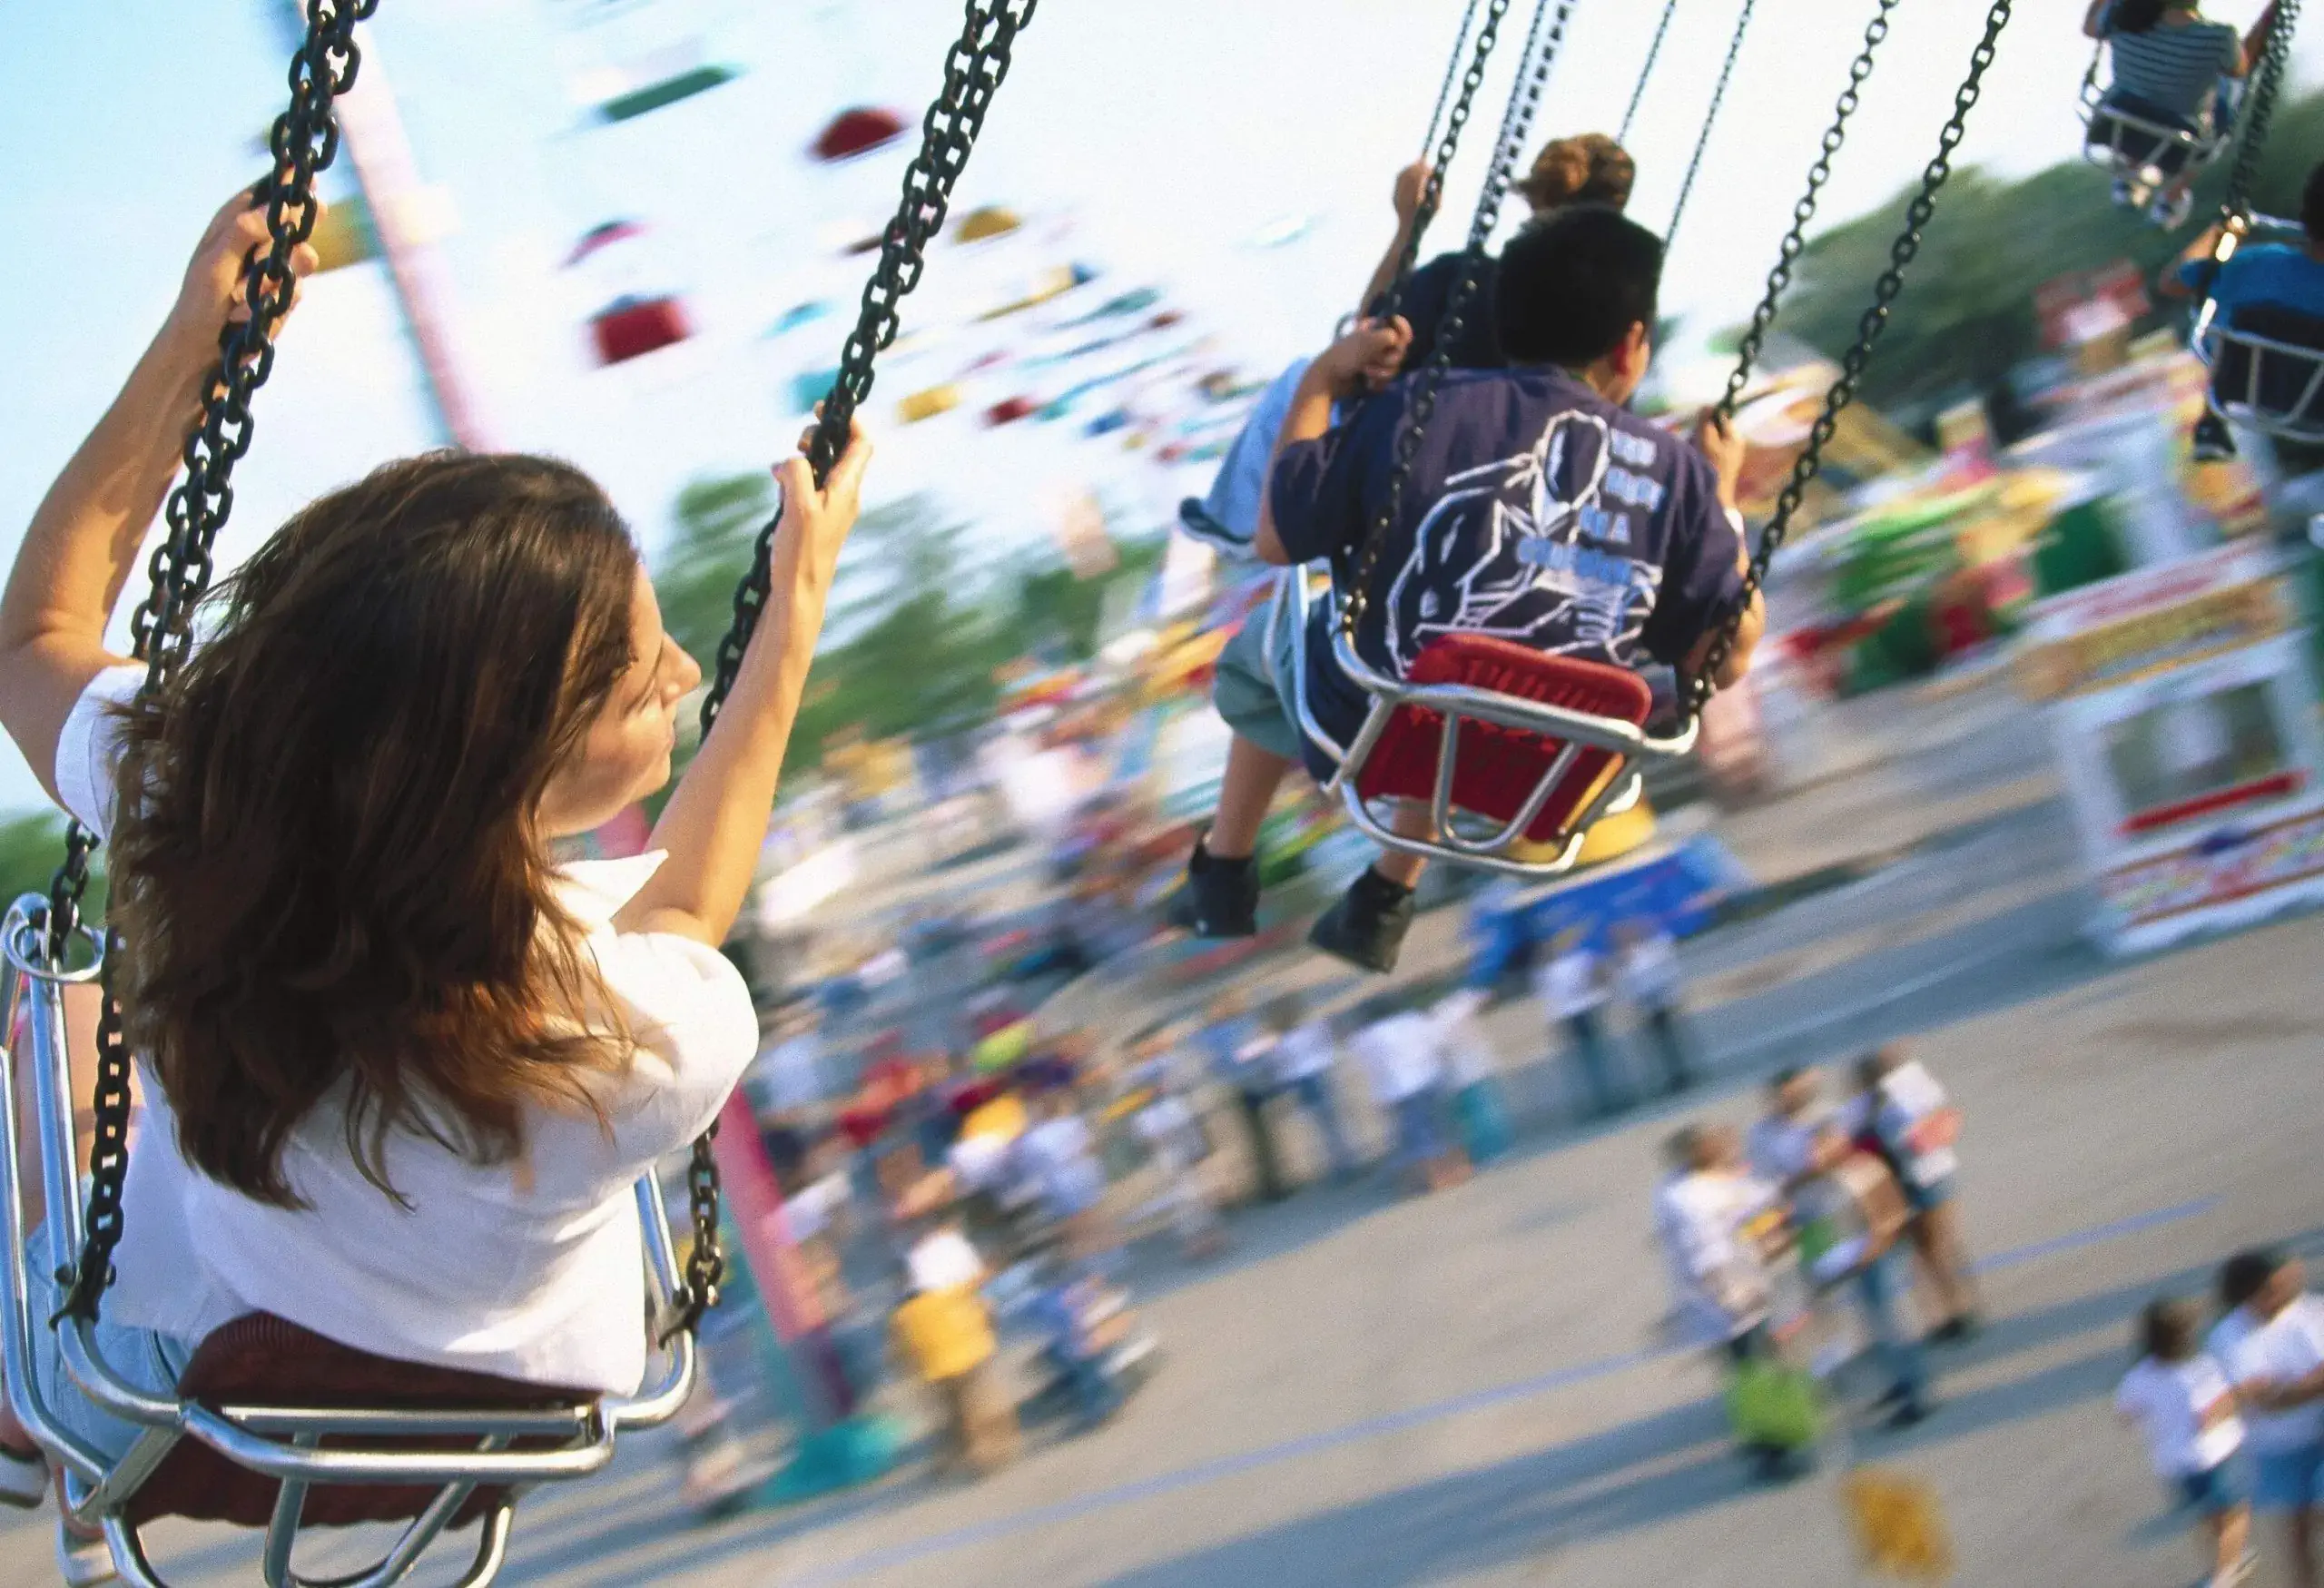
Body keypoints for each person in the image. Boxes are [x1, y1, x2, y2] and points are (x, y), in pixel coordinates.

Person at [0, 193, 871, 1581]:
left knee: (58, 1043)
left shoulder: (209, 802)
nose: (689, 680)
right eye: (647, 679)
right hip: (480, 1417)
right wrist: (794, 623)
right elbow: (689, 916)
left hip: (201, 1381)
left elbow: (39, 634)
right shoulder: (609, 1042)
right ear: (504, 759)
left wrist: (190, 350)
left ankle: (18, 1395)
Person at [1169, 204, 1763, 973]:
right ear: (1632, 343)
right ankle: (1382, 896)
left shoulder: (1409, 419)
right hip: (1568, 762)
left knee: (1279, 647)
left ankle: (1225, 867)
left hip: (1376, 726)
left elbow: (1275, 539)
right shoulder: (1675, 472)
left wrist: (1322, 377)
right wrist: (1723, 499)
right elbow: (1730, 659)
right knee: (1472, 666)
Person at [1178, 133, 1637, 558]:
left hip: (1415, 483)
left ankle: (1234, 520)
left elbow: (1369, 327)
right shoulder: (1610, 335)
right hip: (1529, 503)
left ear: (1535, 203)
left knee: (1307, 373)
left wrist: (1408, 228)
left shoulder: (1463, 280)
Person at [1652, 1124, 1804, 1481]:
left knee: (1747, 1372)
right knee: (1754, 1372)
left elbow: (1758, 1201)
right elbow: (1706, 1258)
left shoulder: (1691, 1185)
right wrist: (1732, 1297)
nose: (1724, 1149)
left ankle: (1764, 1438)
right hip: (1728, 1297)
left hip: (1741, 1287)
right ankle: (1772, 1451)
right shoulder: (1687, 1199)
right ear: (1696, 1155)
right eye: (1715, 1146)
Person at [2162, 161, 2324, 467]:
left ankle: (2211, 423)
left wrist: (2221, 234)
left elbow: (2171, 283)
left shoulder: (2253, 264)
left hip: (2245, 391)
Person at [2082, 0, 2279, 229]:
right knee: (2230, 86)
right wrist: (2273, 13)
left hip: (2113, 129)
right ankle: (2172, 196)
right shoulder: (2218, 37)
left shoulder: (2121, 14)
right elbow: (2241, 68)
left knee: (2142, 97)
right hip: (2177, 147)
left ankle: (2131, 174)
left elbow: (2090, 28)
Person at [1797, 1121, 1932, 1429]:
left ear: (1837, 1143)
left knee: (1893, 1326)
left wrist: (1874, 1246)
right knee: (1877, 1327)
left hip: (1876, 1258)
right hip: (1855, 1260)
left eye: (1820, 1147)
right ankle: (1901, 1383)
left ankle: (1916, 1395)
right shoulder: (1826, 1178)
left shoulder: (1862, 1169)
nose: (1814, 1156)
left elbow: (1893, 1209)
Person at [2118, 1297, 2254, 1588]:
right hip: (2217, 1454)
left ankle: (2224, 1564)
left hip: (2173, 1462)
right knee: (2234, 1514)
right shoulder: (2202, 1368)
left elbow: (2127, 1416)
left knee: (2208, 1515)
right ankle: (2225, 1573)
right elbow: (2213, 1412)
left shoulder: (2139, 1376)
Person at [1854, 1046, 1980, 1342]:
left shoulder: (1903, 1097)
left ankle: (1961, 1309)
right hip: (1909, 1184)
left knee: (1938, 1248)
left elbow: (1924, 1135)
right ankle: (1949, 1313)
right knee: (1924, 1253)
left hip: (1931, 1179)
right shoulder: (1873, 1104)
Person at [2221, 1251, 2324, 1588]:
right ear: (2252, 1296)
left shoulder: (2312, 1311)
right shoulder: (2229, 1337)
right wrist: (2310, 1384)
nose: (2289, 1288)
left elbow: (2275, 1395)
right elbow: (2268, 1402)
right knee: (2299, 1533)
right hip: (2279, 1448)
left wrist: (2288, 1390)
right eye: (2276, 1287)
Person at [889, 1268, 1019, 1478]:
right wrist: (988, 1333)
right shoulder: (950, 1294)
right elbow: (986, 1306)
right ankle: (998, 1448)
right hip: (974, 1358)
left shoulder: (901, 1316)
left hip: (938, 1372)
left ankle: (977, 1455)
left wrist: (910, 1371)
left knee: (959, 1415)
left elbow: (901, 1351)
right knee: (983, 1403)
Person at [1349, 997, 1465, 1193]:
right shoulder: (1412, 1020)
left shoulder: (1364, 1038)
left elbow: (1362, 1062)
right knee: (1438, 1127)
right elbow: (1436, 1039)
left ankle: (1426, 1179)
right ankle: (1450, 1171)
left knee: (1413, 1137)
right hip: (1427, 1078)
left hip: (1394, 1091)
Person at [1194, 990, 1288, 1203]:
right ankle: (1268, 1184)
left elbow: (1264, 1044)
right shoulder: (1215, 1032)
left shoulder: (1242, 1022)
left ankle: (1273, 1182)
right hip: (1240, 1088)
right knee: (1255, 1138)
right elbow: (1223, 1059)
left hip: (1253, 1084)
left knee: (1264, 1137)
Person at [1265, 993, 1360, 1184]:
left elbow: (1277, 1066)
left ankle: (1340, 1166)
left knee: (1321, 1126)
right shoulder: (1312, 1027)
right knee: (1335, 1122)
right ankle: (1347, 1162)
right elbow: (1329, 1042)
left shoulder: (1278, 1041)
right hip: (1319, 1075)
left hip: (1301, 1082)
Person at [1537, 928, 1628, 1120]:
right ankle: (1607, 1096)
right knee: (1594, 1058)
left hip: (1579, 1012)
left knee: (1594, 1057)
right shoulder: (1564, 966)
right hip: (1578, 1013)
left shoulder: (1568, 964)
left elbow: (1600, 976)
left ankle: (1609, 1096)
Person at [1614, 916, 1695, 1094]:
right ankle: (1669, 1076)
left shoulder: (1649, 952)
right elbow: (1626, 985)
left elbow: (1661, 973)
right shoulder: (1623, 961)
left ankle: (1681, 1074)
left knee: (1671, 1041)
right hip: (1646, 1007)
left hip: (1660, 1002)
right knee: (1655, 1045)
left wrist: (1671, 994)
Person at [1747, 1067, 1829, 1198]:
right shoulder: (1760, 1131)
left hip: (1822, 1196)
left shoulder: (1823, 1117)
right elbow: (1760, 1173)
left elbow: (1824, 1161)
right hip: (1785, 1202)